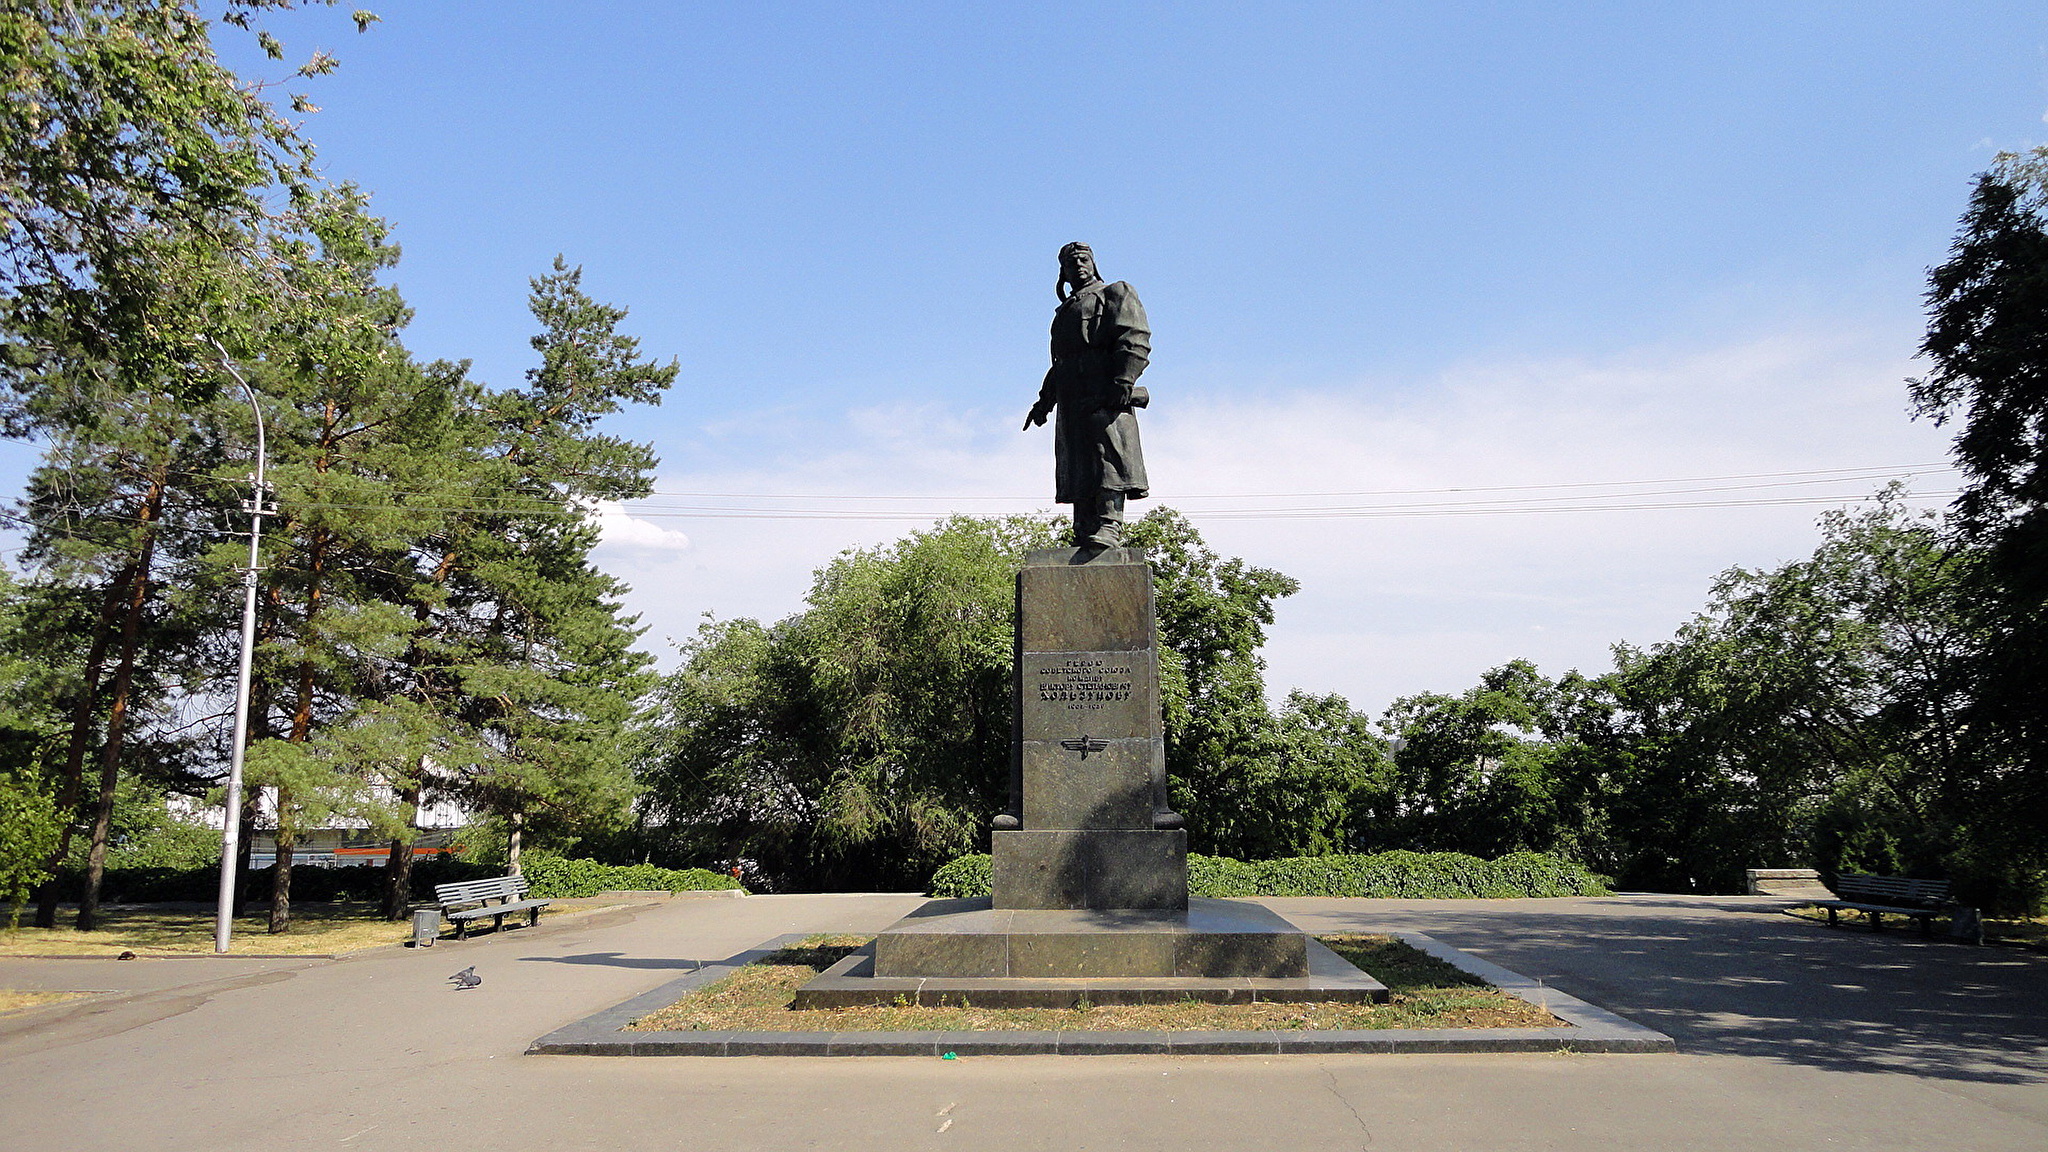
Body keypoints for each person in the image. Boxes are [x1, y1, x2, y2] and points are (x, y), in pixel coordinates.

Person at [1023, 242, 1151, 549]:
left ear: (1093, 263)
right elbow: (1061, 363)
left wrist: (1122, 382)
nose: (1079, 265)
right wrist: (1044, 402)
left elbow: (1134, 339)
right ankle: (1083, 527)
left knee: (1107, 456)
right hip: (1072, 398)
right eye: (1071, 263)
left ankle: (1110, 524)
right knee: (1078, 463)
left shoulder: (1114, 293)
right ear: (1063, 273)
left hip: (1102, 393)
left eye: (1084, 259)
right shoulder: (1065, 311)